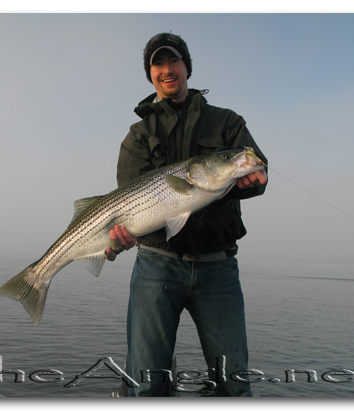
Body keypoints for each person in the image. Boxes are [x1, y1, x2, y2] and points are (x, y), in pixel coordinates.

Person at [105, 33, 268, 397]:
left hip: (218, 268)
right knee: (147, 385)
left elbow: (255, 163)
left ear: (187, 68)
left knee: (234, 384)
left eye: (173, 62)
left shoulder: (226, 122)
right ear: (150, 75)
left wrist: (256, 176)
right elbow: (126, 203)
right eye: (157, 65)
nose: (167, 70)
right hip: (157, 267)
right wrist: (119, 238)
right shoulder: (139, 135)